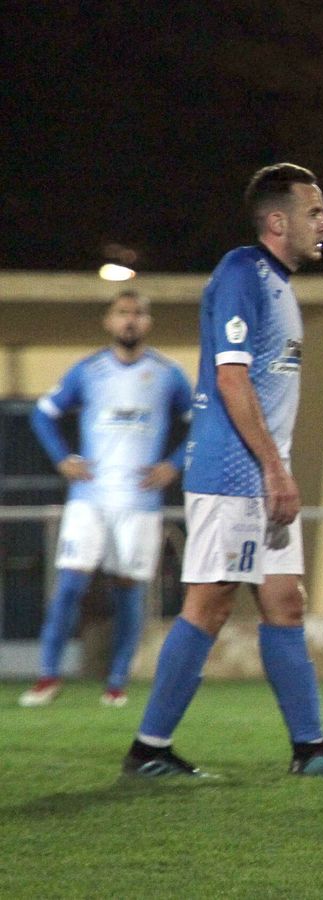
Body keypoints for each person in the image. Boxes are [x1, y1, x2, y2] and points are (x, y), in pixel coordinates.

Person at [122, 163, 323, 778]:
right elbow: (231, 377)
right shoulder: (243, 272)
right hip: (234, 473)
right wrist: (273, 468)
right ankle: (149, 750)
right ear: (277, 221)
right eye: (313, 211)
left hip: (261, 472)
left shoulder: (278, 283)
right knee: (210, 605)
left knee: (285, 602)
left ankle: (311, 748)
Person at [19, 290, 191, 709]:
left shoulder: (167, 374)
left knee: (128, 591)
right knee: (69, 586)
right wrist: (63, 459)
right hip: (89, 498)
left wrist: (174, 464)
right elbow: (42, 413)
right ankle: (47, 676)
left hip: (139, 503)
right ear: (108, 321)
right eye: (122, 313)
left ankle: (116, 683)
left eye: (137, 313)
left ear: (147, 322)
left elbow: (202, 423)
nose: (130, 320)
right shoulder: (89, 370)